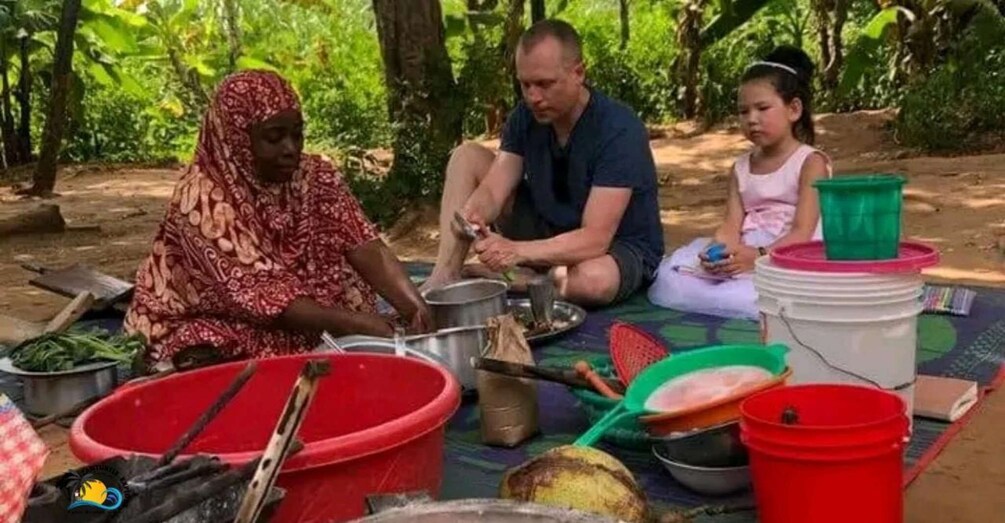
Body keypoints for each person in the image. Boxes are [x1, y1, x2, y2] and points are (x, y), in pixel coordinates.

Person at [125, 70, 432, 370]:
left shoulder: (314, 177)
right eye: (274, 137)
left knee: (350, 321)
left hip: (304, 310)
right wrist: (355, 324)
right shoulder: (203, 199)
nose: (291, 149)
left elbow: (365, 245)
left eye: (297, 134)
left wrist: (416, 308)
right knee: (227, 352)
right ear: (237, 139)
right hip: (220, 317)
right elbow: (262, 295)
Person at [420, 19, 664, 306]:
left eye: (545, 84)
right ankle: (444, 276)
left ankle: (527, 281)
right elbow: (494, 190)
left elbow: (595, 239)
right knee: (466, 156)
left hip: (612, 248)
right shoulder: (524, 117)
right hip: (547, 233)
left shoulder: (618, 129)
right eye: (525, 85)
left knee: (593, 282)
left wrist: (516, 251)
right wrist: (475, 213)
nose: (533, 97)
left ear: (578, 73)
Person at [647, 46, 832, 320]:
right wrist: (718, 252)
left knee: (775, 295)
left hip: (790, 252)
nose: (752, 119)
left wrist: (758, 257)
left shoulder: (810, 162)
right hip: (746, 247)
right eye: (743, 111)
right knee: (672, 280)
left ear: (793, 109)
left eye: (762, 108)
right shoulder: (741, 167)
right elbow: (731, 225)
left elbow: (802, 232)